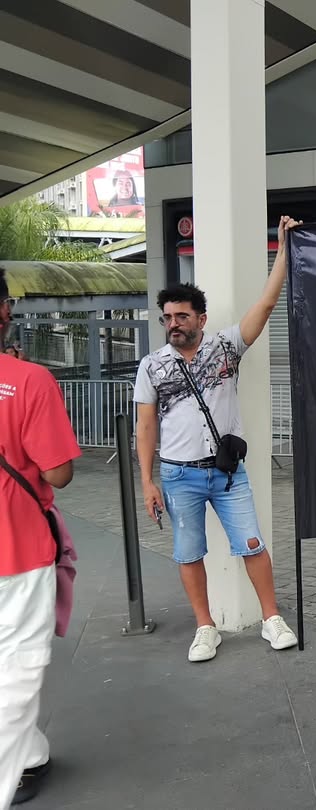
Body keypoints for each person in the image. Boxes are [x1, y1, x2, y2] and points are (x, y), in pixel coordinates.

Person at [134, 216, 301, 663]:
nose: (173, 323)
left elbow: (266, 304)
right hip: (178, 476)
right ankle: (205, 627)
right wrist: (147, 481)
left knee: (252, 543)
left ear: (201, 319)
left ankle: (271, 617)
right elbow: (145, 426)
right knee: (188, 553)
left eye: (182, 316)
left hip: (227, 475)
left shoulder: (226, 346)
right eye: (167, 317)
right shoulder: (151, 366)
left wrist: (283, 248)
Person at [0, 270, 81, 807]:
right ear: (4, 311)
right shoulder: (28, 381)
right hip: (18, 550)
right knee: (18, 669)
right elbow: (58, 473)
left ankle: (30, 754)